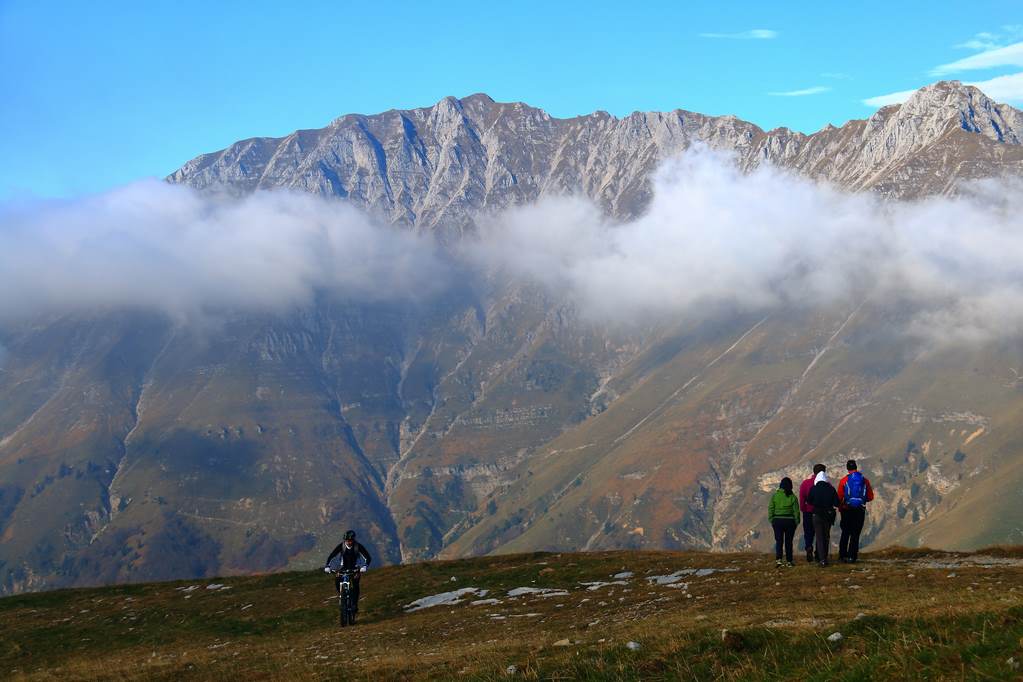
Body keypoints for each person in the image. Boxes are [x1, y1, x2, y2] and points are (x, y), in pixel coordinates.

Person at [323, 530, 372, 612]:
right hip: (343, 568)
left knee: (355, 584)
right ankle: (342, 595)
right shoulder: (341, 546)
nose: (348, 542)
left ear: (353, 540)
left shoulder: (358, 546)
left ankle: (355, 604)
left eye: (350, 541)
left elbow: (367, 557)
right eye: (346, 540)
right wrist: (327, 566)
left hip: (355, 568)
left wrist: (365, 566)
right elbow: (332, 555)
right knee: (337, 579)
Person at [837, 459, 875, 563]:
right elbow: (870, 497)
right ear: (856, 467)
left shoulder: (844, 481)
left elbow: (839, 497)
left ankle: (842, 556)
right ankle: (852, 556)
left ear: (847, 469)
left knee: (845, 533)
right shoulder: (864, 480)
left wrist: (841, 507)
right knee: (855, 534)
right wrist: (861, 500)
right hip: (859, 511)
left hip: (846, 510)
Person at [806, 470, 839, 567]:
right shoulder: (831, 489)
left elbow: (809, 501)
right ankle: (825, 557)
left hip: (817, 515)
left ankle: (822, 559)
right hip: (828, 515)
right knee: (826, 536)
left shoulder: (813, 488)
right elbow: (837, 503)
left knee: (819, 537)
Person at [768, 477, 800, 567]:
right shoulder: (792, 497)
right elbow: (796, 511)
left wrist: (771, 519)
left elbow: (771, 508)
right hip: (790, 522)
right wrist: (796, 521)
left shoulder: (775, 496)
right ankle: (789, 561)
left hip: (777, 521)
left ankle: (779, 560)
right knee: (789, 541)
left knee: (779, 541)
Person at [799, 463, 826, 563]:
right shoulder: (826, 484)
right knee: (820, 534)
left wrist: (803, 509)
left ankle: (808, 546)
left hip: (808, 511)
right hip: (821, 512)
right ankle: (819, 553)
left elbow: (802, 498)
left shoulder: (805, 483)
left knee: (808, 532)